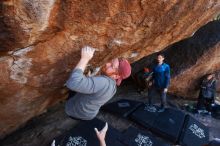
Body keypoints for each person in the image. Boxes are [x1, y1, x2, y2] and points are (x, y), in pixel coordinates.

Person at [65, 46, 131, 120]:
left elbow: (73, 83)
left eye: (112, 66)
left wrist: (85, 58)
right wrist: (90, 79)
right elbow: (97, 91)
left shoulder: (104, 82)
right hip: (89, 114)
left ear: (116, 76)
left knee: (71, 87)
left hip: (75, 112)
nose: (107, 64)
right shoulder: (113, 87)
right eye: (111, 61)